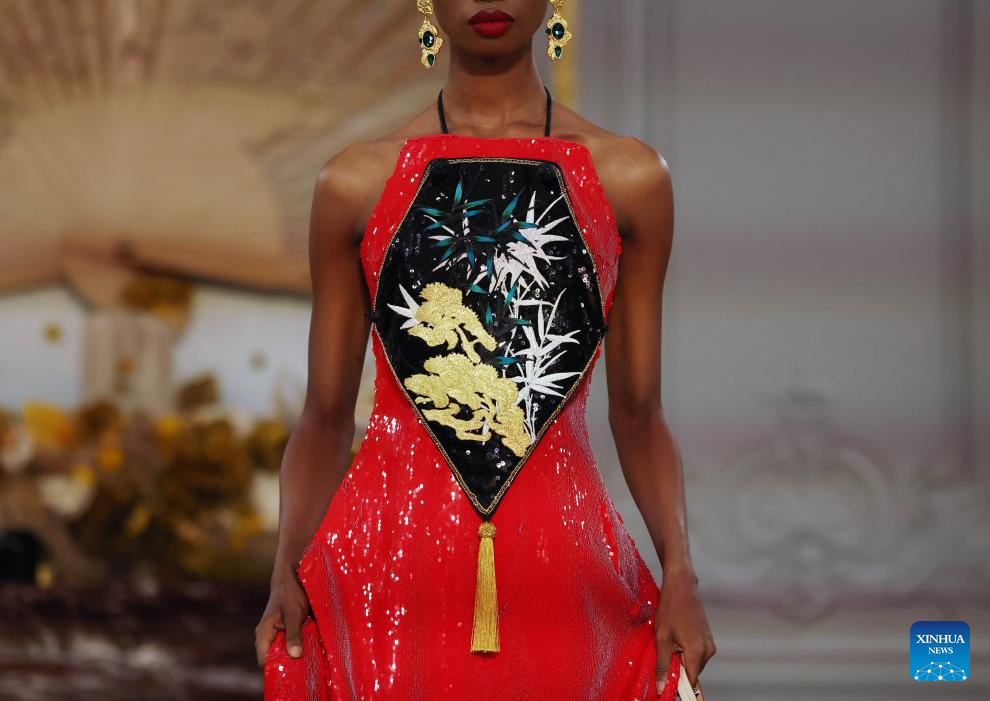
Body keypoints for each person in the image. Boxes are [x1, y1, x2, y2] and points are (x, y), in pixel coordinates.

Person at [255, 1, 715, 699]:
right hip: (386, 572)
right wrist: (283, 567)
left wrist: (680, 572)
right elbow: (323, 418)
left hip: (561, 574)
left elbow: (640, 415)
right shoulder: (353, 183)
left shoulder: (631, 178)